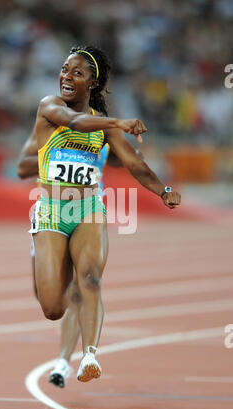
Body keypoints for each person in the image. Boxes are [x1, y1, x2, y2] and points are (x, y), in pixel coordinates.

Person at [18, 45, 181, 384]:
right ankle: (52, 266)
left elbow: (135, 163)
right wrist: (119, 121)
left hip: (89, 208)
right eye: (65, 69)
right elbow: (75, 121)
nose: (66, 76)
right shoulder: (49, 107)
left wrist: (163, 191)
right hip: (50, 209)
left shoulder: (105, 129)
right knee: (52, 308)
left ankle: (89, 356)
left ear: (91, 84)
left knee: (90, 278)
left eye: (77, 73)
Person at [18, 141, 124, 387]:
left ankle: (66, 361)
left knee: (84, 285)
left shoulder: (104, 135)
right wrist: (58, 162)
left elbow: (130, 157)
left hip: (87, 214)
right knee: (51, 302)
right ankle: (65, 358)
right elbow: (22, 166)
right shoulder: (53, 127)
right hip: (51, 213)